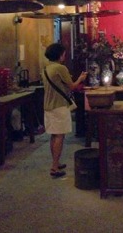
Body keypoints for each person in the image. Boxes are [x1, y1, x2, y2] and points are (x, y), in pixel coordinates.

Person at [43, 43, 87, 178]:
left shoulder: (46, 68)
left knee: (53, 135)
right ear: (59, 54)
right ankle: (55, 167)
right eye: (63, 53)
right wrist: (81, 78)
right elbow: (72, 86)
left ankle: (55, 162)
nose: (65, 56)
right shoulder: (60, 68)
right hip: (59, 106)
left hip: (48, 105)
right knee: (60, 136)